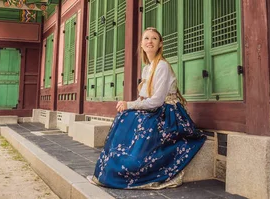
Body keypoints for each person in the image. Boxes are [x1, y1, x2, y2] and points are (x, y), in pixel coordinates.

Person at [86, 27, 207, 189]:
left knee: (135, 120)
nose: (150, 41)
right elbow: (143, 99)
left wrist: (130, 105)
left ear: (160, 44)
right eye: (146, 38)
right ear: (141, 44)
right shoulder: (147, 68)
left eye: (154, 39)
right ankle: (112, 168)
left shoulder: (162, 66)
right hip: (156, 109)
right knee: (125, 117)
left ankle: (134, 167)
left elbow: (156, 101)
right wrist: (128, 106)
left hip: (169, 114)